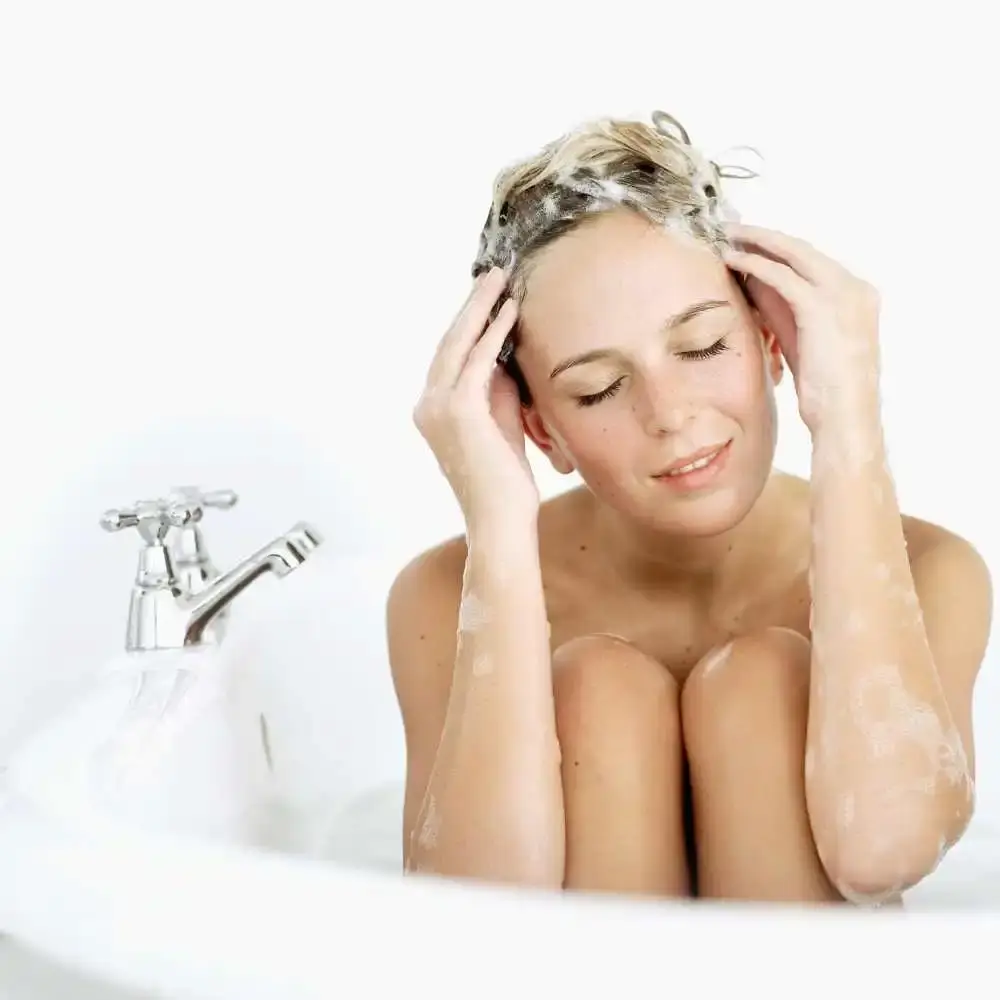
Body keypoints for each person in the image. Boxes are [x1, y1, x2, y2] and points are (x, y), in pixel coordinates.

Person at [385, 108, 993, 906]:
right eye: (597, 388)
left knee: (764, 681)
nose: (668, 413)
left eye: (704, 346)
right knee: (599, 688)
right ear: (542, 429)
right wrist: (499, 526)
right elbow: (475, 916)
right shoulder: (440, 595)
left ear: (774, 341)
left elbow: (884, 849)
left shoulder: (929, 572)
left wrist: (850, 420)